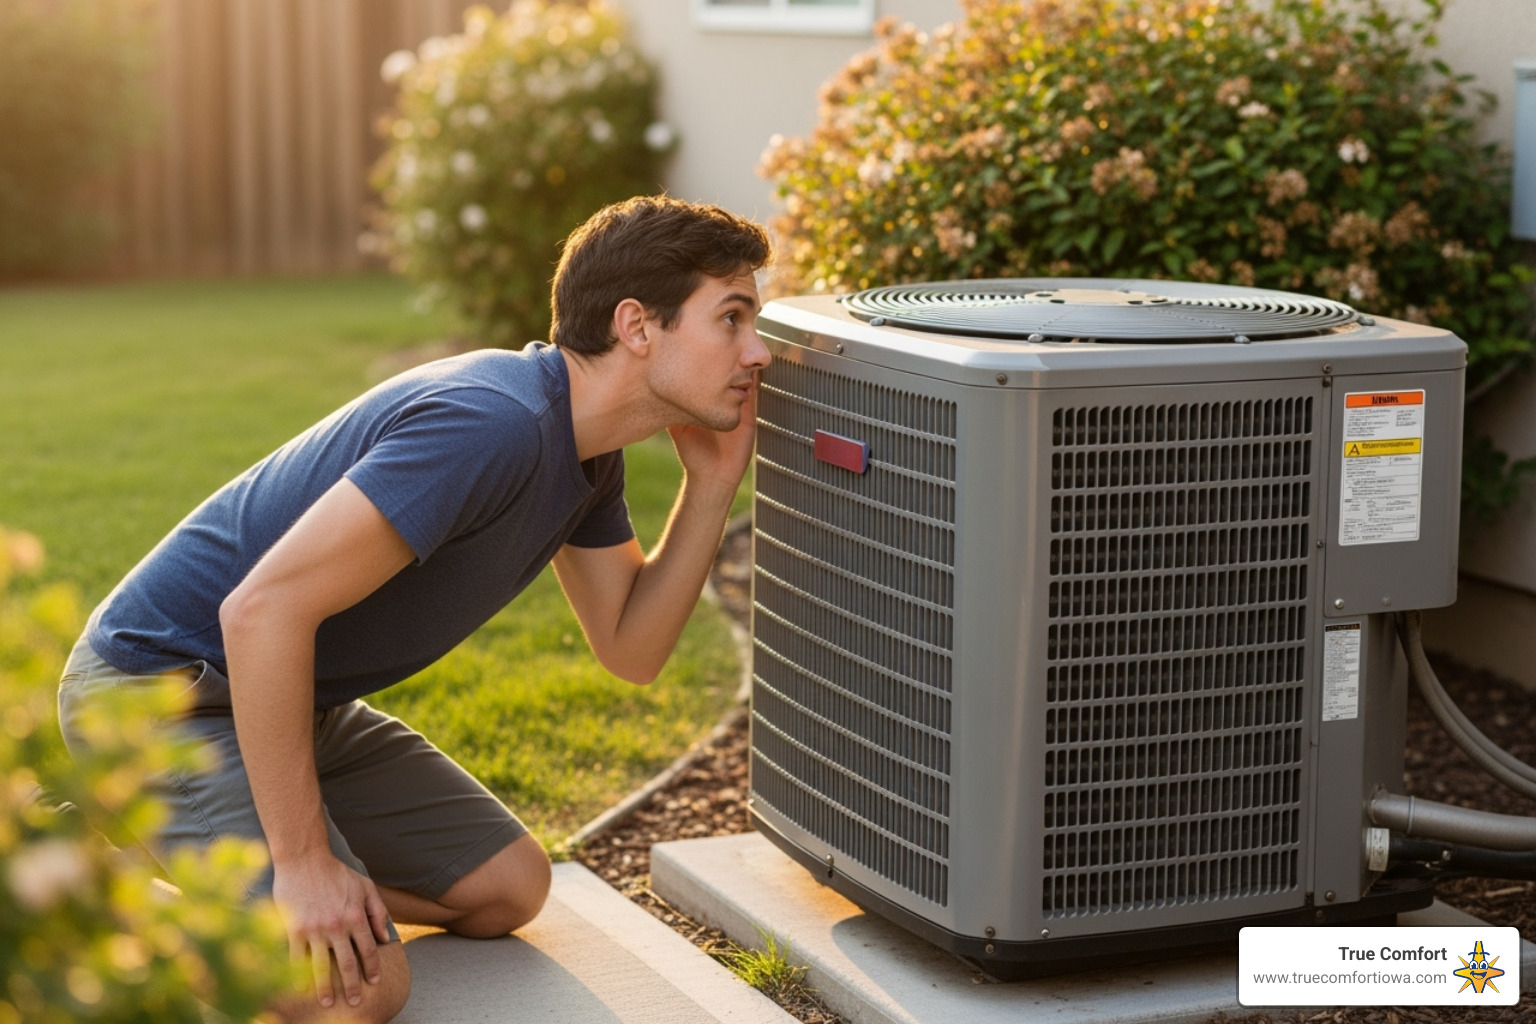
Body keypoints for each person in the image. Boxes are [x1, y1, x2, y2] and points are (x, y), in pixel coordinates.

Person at [57, 195, 773, 1023]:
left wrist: (713, 485)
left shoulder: (587, 454)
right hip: (158, 693)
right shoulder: (491, 424)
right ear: (638, 326)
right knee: (357, 995)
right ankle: (94, 895)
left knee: (509, 887)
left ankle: (228, 891)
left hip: (287, 697)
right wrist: (302, 861)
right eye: (732, 318)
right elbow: (260, 611)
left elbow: (630, 649)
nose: (755, 352)